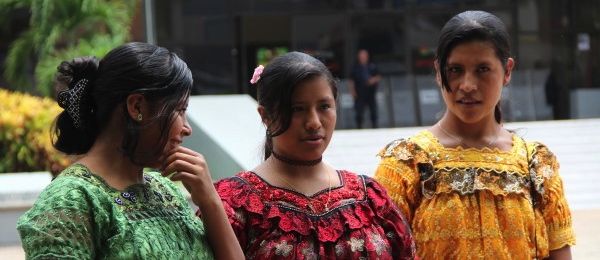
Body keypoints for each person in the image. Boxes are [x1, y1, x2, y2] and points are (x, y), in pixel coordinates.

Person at [374, 11, 575, 259]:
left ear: (507, 70)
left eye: (482, 69)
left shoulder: (537, 164)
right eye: (455, 70)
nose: (467, 85)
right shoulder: (405, 164)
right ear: (438, 71)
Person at [17, 42, 243, 259]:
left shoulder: (164, 189)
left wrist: (210, 201)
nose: (187, 129)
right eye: (179, 110)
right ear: (137, 106)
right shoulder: (70, 200)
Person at [214, 51, 416, 259]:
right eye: (297, 109)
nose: (314, 123)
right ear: (265, 116)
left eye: (324, 107)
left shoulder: (370, 198)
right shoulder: (234, 204)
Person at [349, 49, 381, 129]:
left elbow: (378, 76)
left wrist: (372, 80)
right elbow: (351, 80)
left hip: (370, 92)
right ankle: (359, 126)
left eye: (364, 56)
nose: (362, 58)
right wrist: (352, 91)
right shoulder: (355, 67)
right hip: (360, 92)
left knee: (373, 110)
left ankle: (374, 126)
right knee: (359, 110)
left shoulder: (372, 66)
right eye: (361, 56)